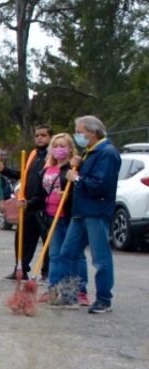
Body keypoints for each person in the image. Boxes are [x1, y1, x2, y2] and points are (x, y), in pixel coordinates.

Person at [49, 115, 120, 314]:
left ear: (93, 132)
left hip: (96, 212)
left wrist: (77, 178)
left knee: (100, 257)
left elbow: (100, 185)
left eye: (80, 132)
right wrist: (79, 166)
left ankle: (104, 299)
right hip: (80, 213)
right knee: (67, 253)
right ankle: (70, 295)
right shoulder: (91, 152)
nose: (78, 135)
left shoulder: (107, 153)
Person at [33, 133, 88, 305]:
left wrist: (69, 193)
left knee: (75, 255)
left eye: (63, 146)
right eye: (55, 146)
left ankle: (80, 291)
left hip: (70, 216)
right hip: (51, 216)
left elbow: (83, 188)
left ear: (70, 149)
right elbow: (40, 194)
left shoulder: (75, 168)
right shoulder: (47, 170)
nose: (59, 149)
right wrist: (27, 203)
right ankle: (53, 288)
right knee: (55, 255)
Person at [1, 124, 52, 280]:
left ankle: (46, 272)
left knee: (47, 242)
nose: (40, 138)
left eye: (43, 135)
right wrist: (4, 170)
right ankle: (21, 269)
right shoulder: (33, 155)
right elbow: (22, 174)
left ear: (50, 137)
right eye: (37, 135)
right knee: (22, 239)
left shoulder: (53, 156)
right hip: (27, 205)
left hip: (44, 206)